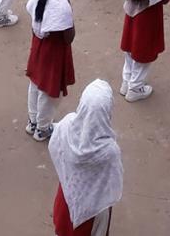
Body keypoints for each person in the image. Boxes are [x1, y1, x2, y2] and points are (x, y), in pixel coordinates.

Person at [49, 79, 123, 235]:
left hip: (67, 196)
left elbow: (55, 148)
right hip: (93, 211)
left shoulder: (66, 125)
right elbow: (112, 184)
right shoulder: (109, 150)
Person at [25, 0, 76, 142]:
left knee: (36, 83)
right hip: (53, 51)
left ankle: (33, 122)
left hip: (38, 45)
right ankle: (43, 128)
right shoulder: (63, 4)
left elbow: (31, 10)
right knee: (48, 90)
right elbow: (69, 37)